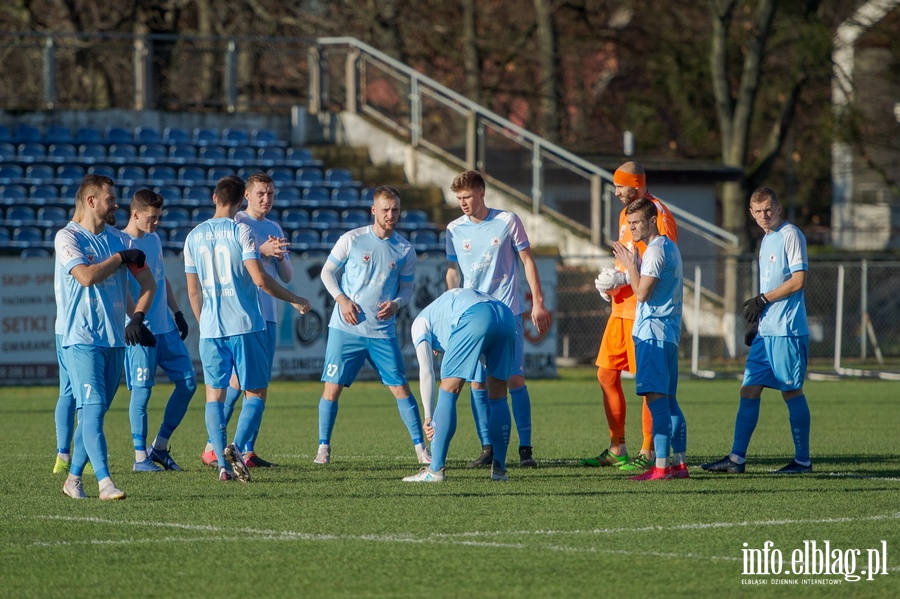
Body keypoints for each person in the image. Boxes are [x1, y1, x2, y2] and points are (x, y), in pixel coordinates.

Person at [184, 175, 310, 483]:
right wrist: (293, 298)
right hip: (245, 323)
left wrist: (205, 322)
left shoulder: (193, 236)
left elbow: (193, 291)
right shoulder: (241, 231)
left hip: (212, 329)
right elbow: (259, 280)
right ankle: (236, 449)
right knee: (255, 391)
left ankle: (222, 465)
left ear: (214, 198)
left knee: (214, 395)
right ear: (242, 200)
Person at [57, 174, 158, 500]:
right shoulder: (67, 237)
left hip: (115, 340)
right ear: (90, 201)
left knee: (92, 414)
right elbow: (85, 277)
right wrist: (118, 260)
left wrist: (138, 319)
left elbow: (149, 285)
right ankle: (105, 482)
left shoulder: (118, 239)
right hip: (81, 338)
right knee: (95, 406)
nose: (115, 204)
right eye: (110, 199)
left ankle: (73, 480)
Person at [314, 185, 430, 466]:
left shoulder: (405, 249)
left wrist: (397, 304)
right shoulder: (352, 239)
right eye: (386, 209)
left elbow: (407, 290)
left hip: (381, 332)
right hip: (346, 328)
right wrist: (341, 299)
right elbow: (327, 272)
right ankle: (323, 448)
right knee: (332, 388)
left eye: (396, 210)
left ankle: (420, 449)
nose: (391, 215)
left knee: (401, 387)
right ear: (374, 211)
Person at [701, 187, 813, 475]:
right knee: (748, 390)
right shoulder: (766, 240)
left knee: (791, 391)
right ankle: (736, 459)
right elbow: (770, 286)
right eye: (758, 211)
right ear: (750, 213)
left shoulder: (790, 234)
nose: (764, 216)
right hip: (767, 330)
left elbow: (798, 280)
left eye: (768, 210)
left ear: (778, 208)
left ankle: (802, 461)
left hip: (786, 331)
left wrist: (762, 300)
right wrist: (757, 321)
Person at [444, 170, 551, 469]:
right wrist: (453, 305)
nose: (463, 202)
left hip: (507, 311)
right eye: (459, 198)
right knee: (478, 383)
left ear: (481, 192)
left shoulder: (507, 221)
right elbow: (453, 271)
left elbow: (528, 261)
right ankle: (487, 448)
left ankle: (525, 450)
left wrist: (538, 303)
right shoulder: (453, 229)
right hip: (473, 315)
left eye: (467, 196)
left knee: (513, 378)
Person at [584, 161, 679, 473]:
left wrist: (627, 279)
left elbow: (659, 261)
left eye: (620, 187)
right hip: (621, 309)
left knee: (650, 385)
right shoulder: (626, 213)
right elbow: (629, 258)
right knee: (605, 374)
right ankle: (617, 447)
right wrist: (612, 282)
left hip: (644, 313)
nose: (615, 193)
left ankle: (649, 449)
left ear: (636, 185)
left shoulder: (657, 214)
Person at [200, 172, 292, 469]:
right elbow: (234, 262)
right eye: (261, 194)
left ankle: (247, 450)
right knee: (237, 383)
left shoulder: (273, 226)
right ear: (247, 196)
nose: (267, 199)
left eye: (271, 193)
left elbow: (286, 276)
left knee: (257, 383)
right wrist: (262, 249)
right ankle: (215, 447)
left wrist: (279, 257)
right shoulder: (236, 223)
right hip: (241, 316)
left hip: (267, 315)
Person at [402, 288, 517, 483]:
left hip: (476, 316)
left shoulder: (420, 322)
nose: (437, 352)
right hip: (505, 315)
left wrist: (428, 416)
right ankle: (500, 471)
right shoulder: (445, 309)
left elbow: (427, 370)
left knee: (449, 389)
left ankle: (435, 470)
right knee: (498, 396)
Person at [611, 198, 688, 481]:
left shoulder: (655, 251)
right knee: (669, 401)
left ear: (653, 220)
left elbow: (642, 293)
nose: (631, 228)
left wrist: (630, 265)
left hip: (652, 333)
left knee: (657, 403)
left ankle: (661, 467)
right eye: (629, 223)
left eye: (637, 223)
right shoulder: (670, 248)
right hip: (667, 333)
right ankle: (679, 465)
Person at [122, 189, 197, 473]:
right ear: (136, 213)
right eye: (151, 218)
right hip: (141, 332)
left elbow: (160, 282)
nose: (155, 224)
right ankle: (140, 457)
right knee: (142, 393)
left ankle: (160, 447)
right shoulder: (121, 242)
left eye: (158, 218)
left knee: (188, 383)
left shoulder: (154, 240)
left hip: (165, 328)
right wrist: (136, 322)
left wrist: (177, 313)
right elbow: (124, 290)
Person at [52, 197, 83, 475]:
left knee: (70, 391)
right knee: (79, 394)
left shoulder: (75, 236)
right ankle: (70, 457)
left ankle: (64, 454)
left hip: (68, 327)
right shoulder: (70, 236)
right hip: (71, 328)